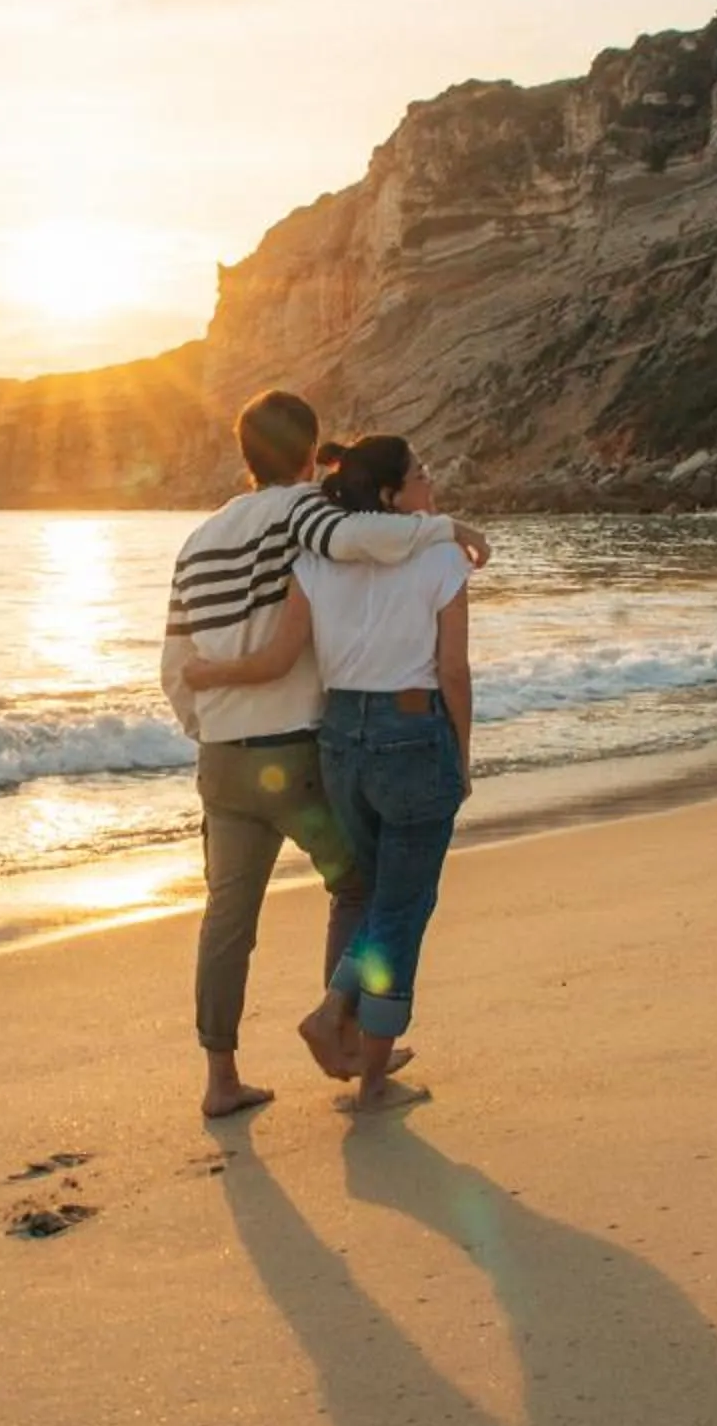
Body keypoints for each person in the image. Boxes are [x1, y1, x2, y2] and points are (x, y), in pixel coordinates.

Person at [163, 393, 488, 1119]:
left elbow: (176, 659)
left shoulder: (198, 540)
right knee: (361, 891)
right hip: (303, 753)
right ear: (311, 454)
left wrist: (207, 725)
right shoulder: (308, 514)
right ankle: (342, 1035)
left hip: (222, 757)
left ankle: (221, 1078)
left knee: (226, 918)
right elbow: (372, 541)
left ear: (243, 453)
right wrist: (452, 526)